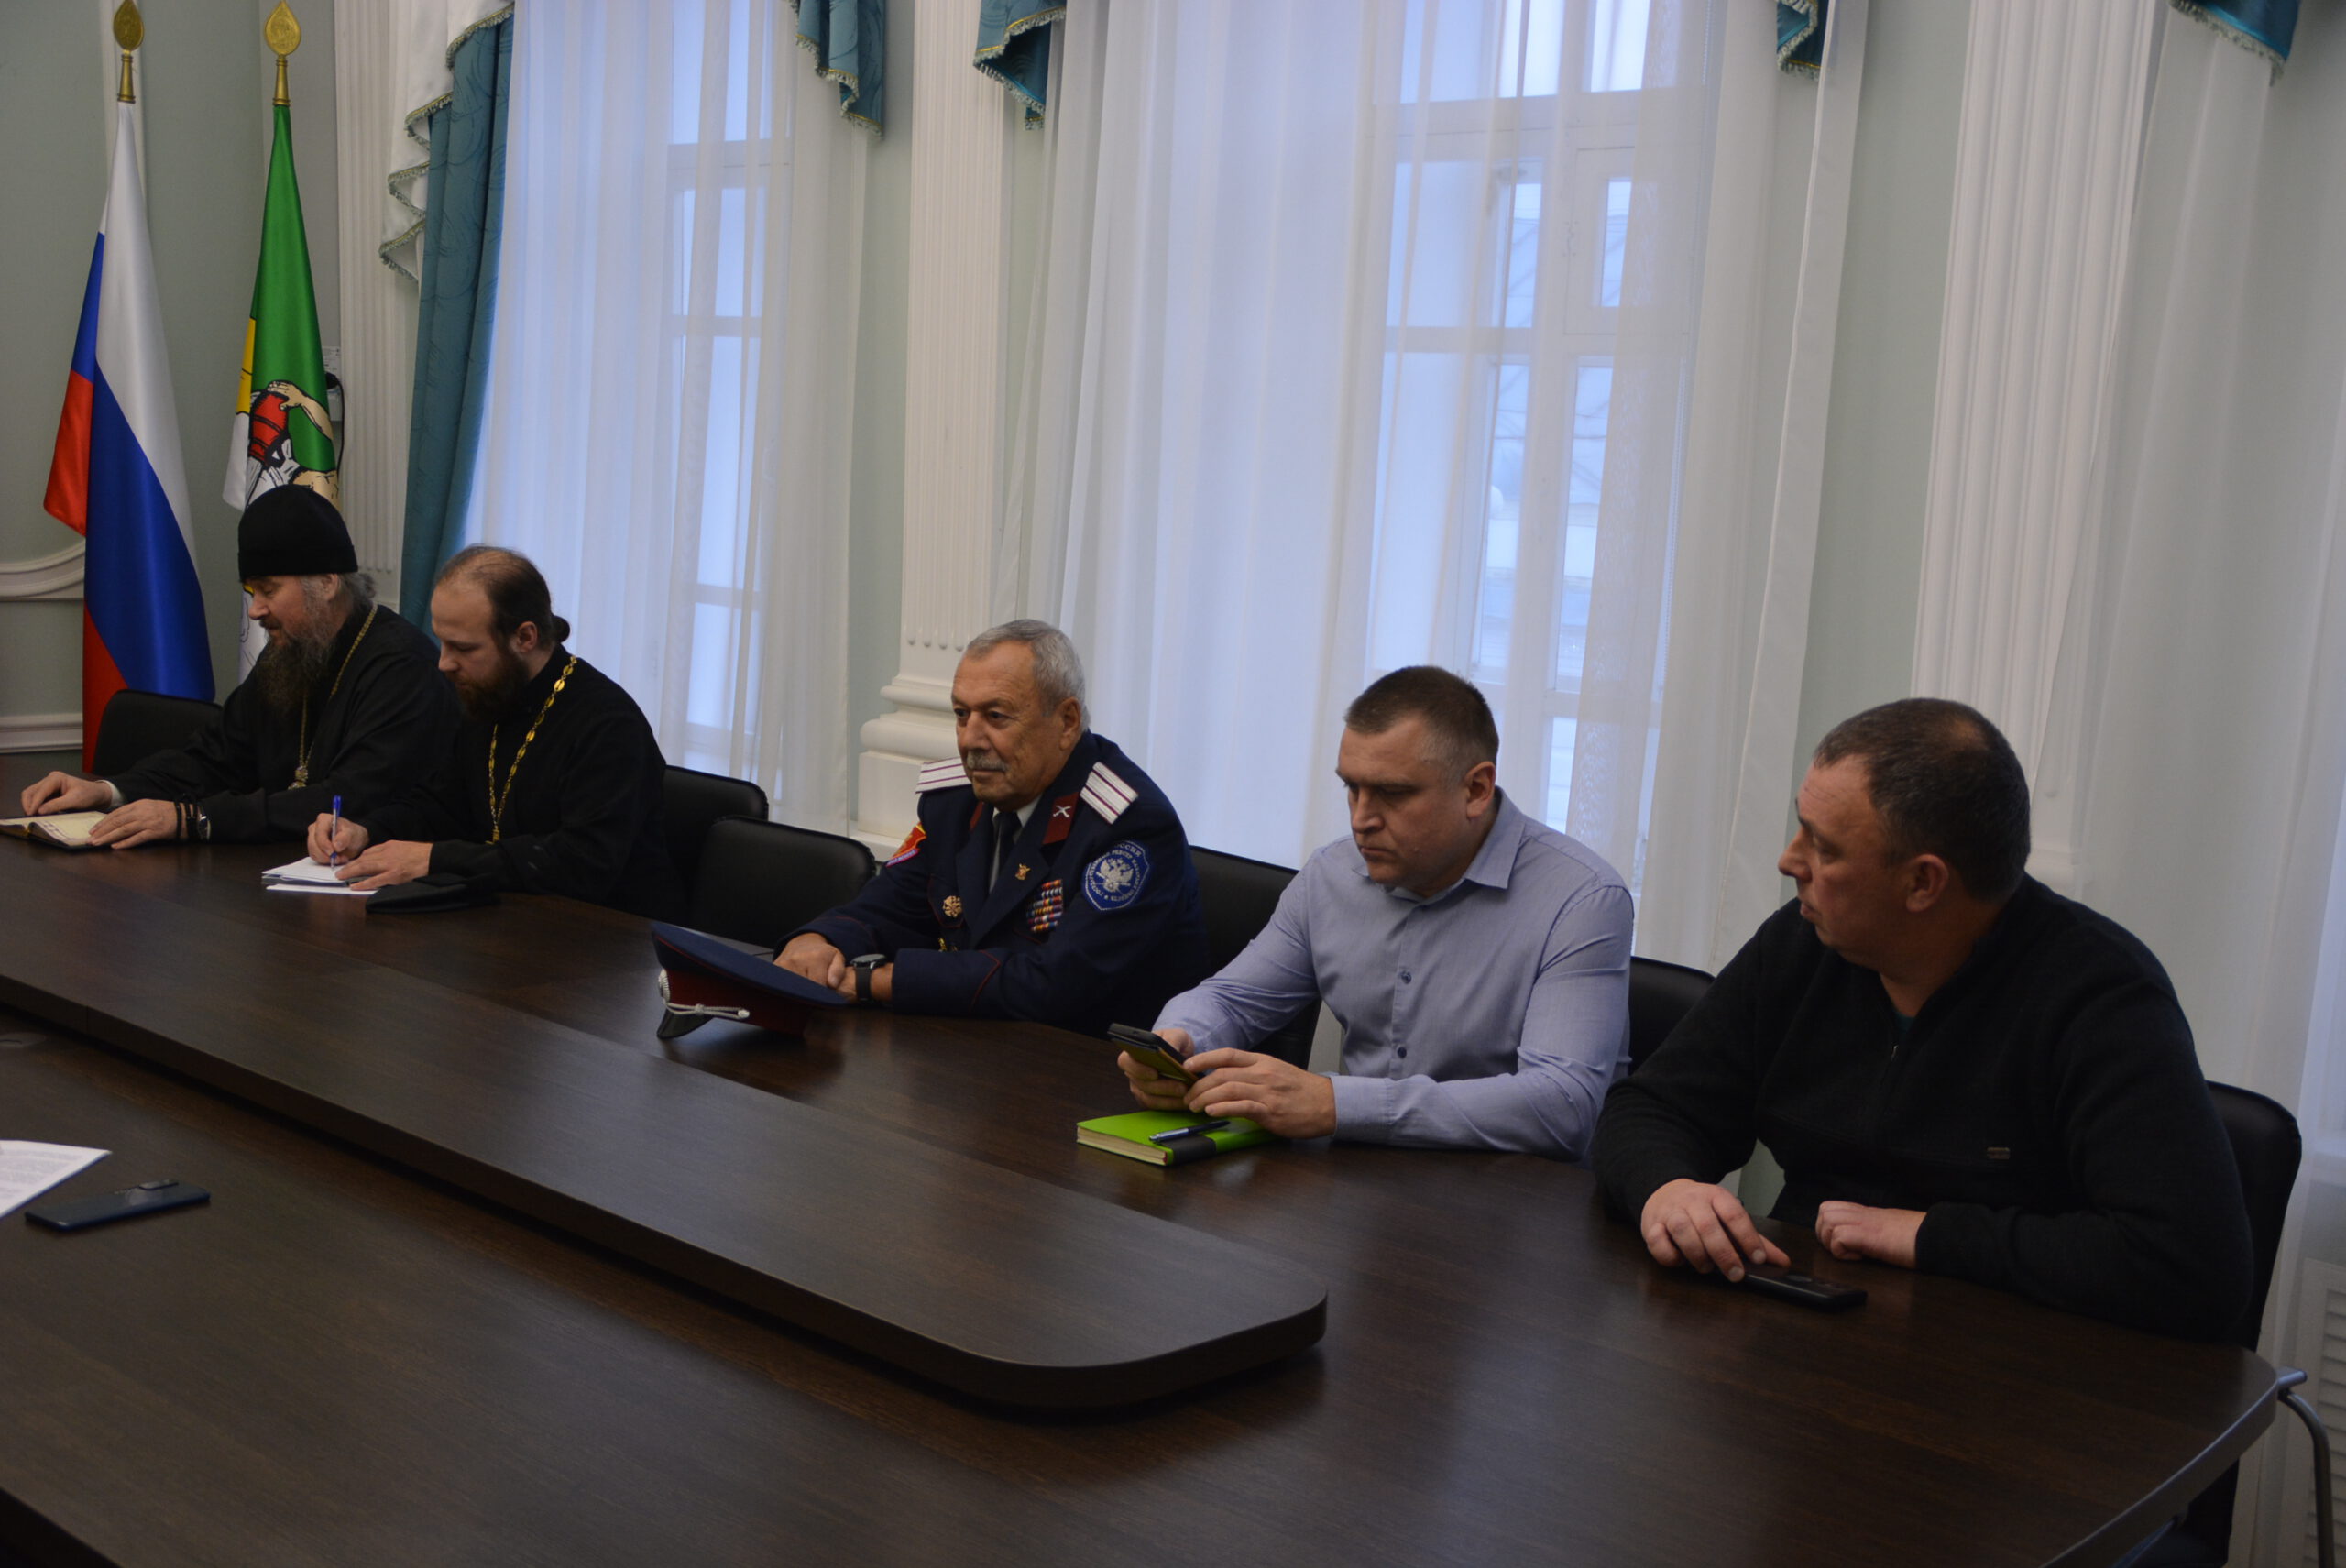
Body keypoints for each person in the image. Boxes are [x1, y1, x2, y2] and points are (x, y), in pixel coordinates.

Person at [1591, 697, 2253, 1342]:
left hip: (2007, 1369)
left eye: (1824, 848)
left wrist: (1929, 1234)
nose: (1790, 861)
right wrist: (1666, 1188)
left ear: (1922, 883)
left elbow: (2191, 1267)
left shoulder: (2099, 995)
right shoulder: (1800, 946)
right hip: (1801, 1339)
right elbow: (1650, 1108)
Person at [1119, 666, 1633, 1158]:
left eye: (1392, 793)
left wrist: (1337, 1103)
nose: (1361, 819)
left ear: (1476, 789)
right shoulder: (1331, 875)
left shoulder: (1582, 900)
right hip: (1360, 1182)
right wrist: (1178, 1043)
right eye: (1352, 788)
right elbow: (1232, 1001)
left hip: (1517, 1198)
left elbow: (1561, 1106)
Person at [777, 620, 1209, 1035]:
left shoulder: (1130, 826)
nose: (970, 739)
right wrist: (818, 940)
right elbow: (892, 906)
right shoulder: (956, 800)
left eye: (996, 716)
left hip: (1088, 1064)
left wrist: (872, 982)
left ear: (1067, 721)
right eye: (962, 714)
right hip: (975, 1044)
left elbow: (1054, 982)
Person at [17, 488, 454, 846]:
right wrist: (108, 791)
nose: (255, 610)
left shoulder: (403, 668)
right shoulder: (290, 655)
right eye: (251, 592)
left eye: (268, 590)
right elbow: (214, 759)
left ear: (326, 583)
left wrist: (193, 819)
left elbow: (350, 800)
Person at [308, 545, 684, 919]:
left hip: (610, 936)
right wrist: (366, 832)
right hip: (510, 922)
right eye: (442, 642)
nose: (443, 663)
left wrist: (436, 858)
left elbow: (582, 863)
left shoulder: (608, 724)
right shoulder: (489, 696)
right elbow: (440, 806)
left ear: (525, 637)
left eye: (463, 648)